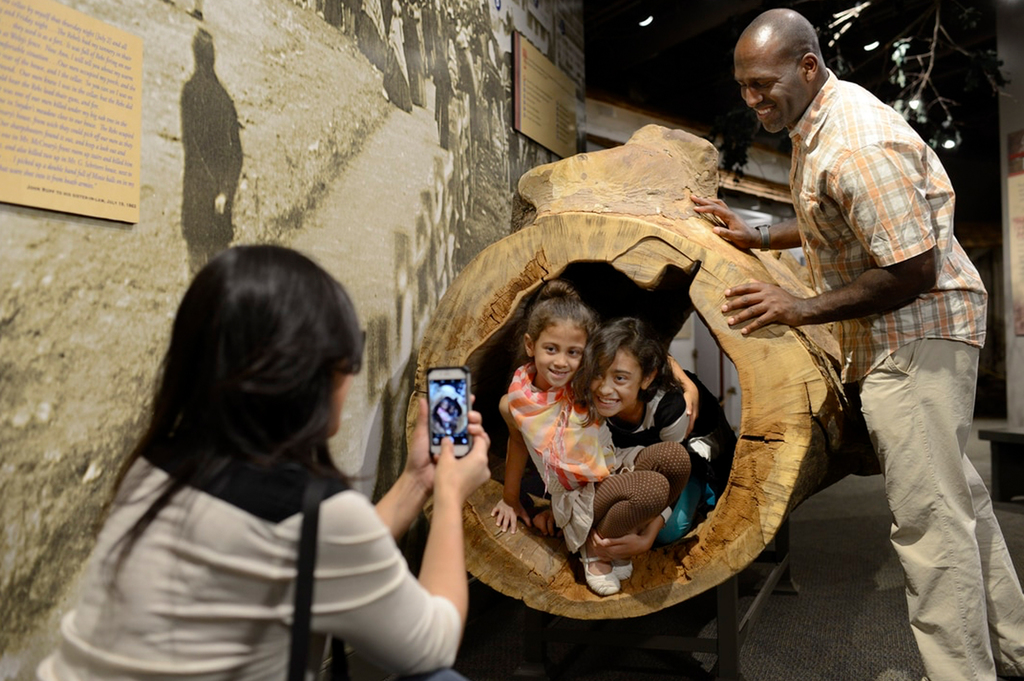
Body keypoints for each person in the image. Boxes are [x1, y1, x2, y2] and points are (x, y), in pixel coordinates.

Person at [691, 9, 1024, 681]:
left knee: (929, 522)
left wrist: (799, 307)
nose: (751, 99)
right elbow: (832, 216)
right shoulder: (817, 126)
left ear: (807, 66)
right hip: (912, 332)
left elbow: (911, 270)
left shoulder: (855, 140)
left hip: (916, 333)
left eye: (762, 84)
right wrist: (761, 236)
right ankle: (1013, 648)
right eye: (743, 86)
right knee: (958, 502)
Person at [36, 245, 492, 681]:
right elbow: (433, 644)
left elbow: (322, 553)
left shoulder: (155, 466)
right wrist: (449, 495)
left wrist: (417, 480)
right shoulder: (315, 516)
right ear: (310, 374)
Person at [488, 281, 689, 597]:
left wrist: (686, 381)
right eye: (551, 349)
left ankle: (618, 532)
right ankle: (596, 551)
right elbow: (517, 444)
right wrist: (510, 498)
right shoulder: (516, 404)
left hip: (610, 466)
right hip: (577, 494)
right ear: (530, 345)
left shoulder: (584, 384)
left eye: (573, 352)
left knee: (676, 458)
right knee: (652, 488)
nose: (561, 362)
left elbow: (632, 349)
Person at [580, 317, 735, 562]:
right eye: (598, 374)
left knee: (669, 530)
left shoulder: (669, 407)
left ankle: (702, 493)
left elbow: (675, 471)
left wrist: (648, 536)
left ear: (647, 378)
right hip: (630, 461)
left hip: (684, 465)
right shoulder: (590, 397)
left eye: (619, 378)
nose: (605, 389)